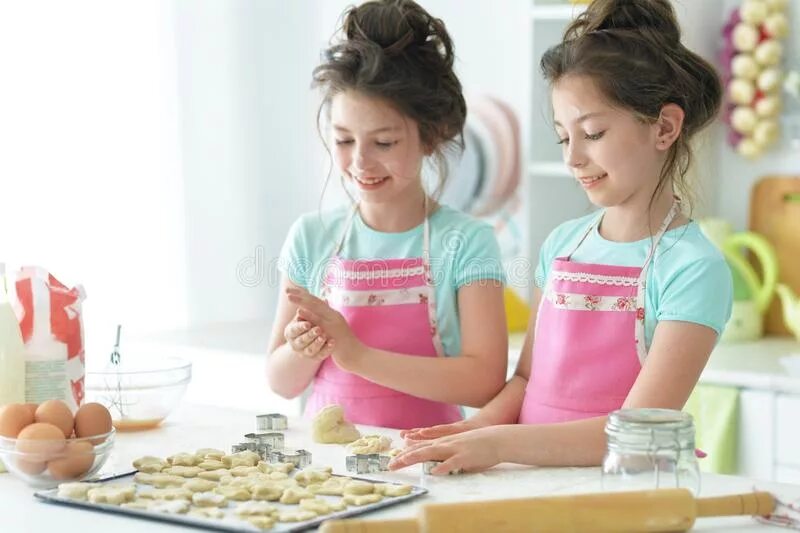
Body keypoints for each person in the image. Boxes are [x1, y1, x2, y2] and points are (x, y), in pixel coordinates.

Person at [390, 0, 733, 474]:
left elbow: (635, 431)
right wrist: (478, 428)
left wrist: (497, 443)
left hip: (621, 496)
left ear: (665, 127)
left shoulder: (693, 268)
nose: (573, 158)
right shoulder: (563, 246)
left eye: (592, 133)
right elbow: (527, 377)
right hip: (531, 483)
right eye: (563, 137)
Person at [267, 0, 508, 430]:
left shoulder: (468, 242)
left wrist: (356, 354)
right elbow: (280, 382)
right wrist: (303, 349)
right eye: (343, 141)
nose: (361, 162)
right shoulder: (312, 236)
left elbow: (484, 381)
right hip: (327, 472)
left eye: (384, 143)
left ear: (430, 137)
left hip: (426, 458)